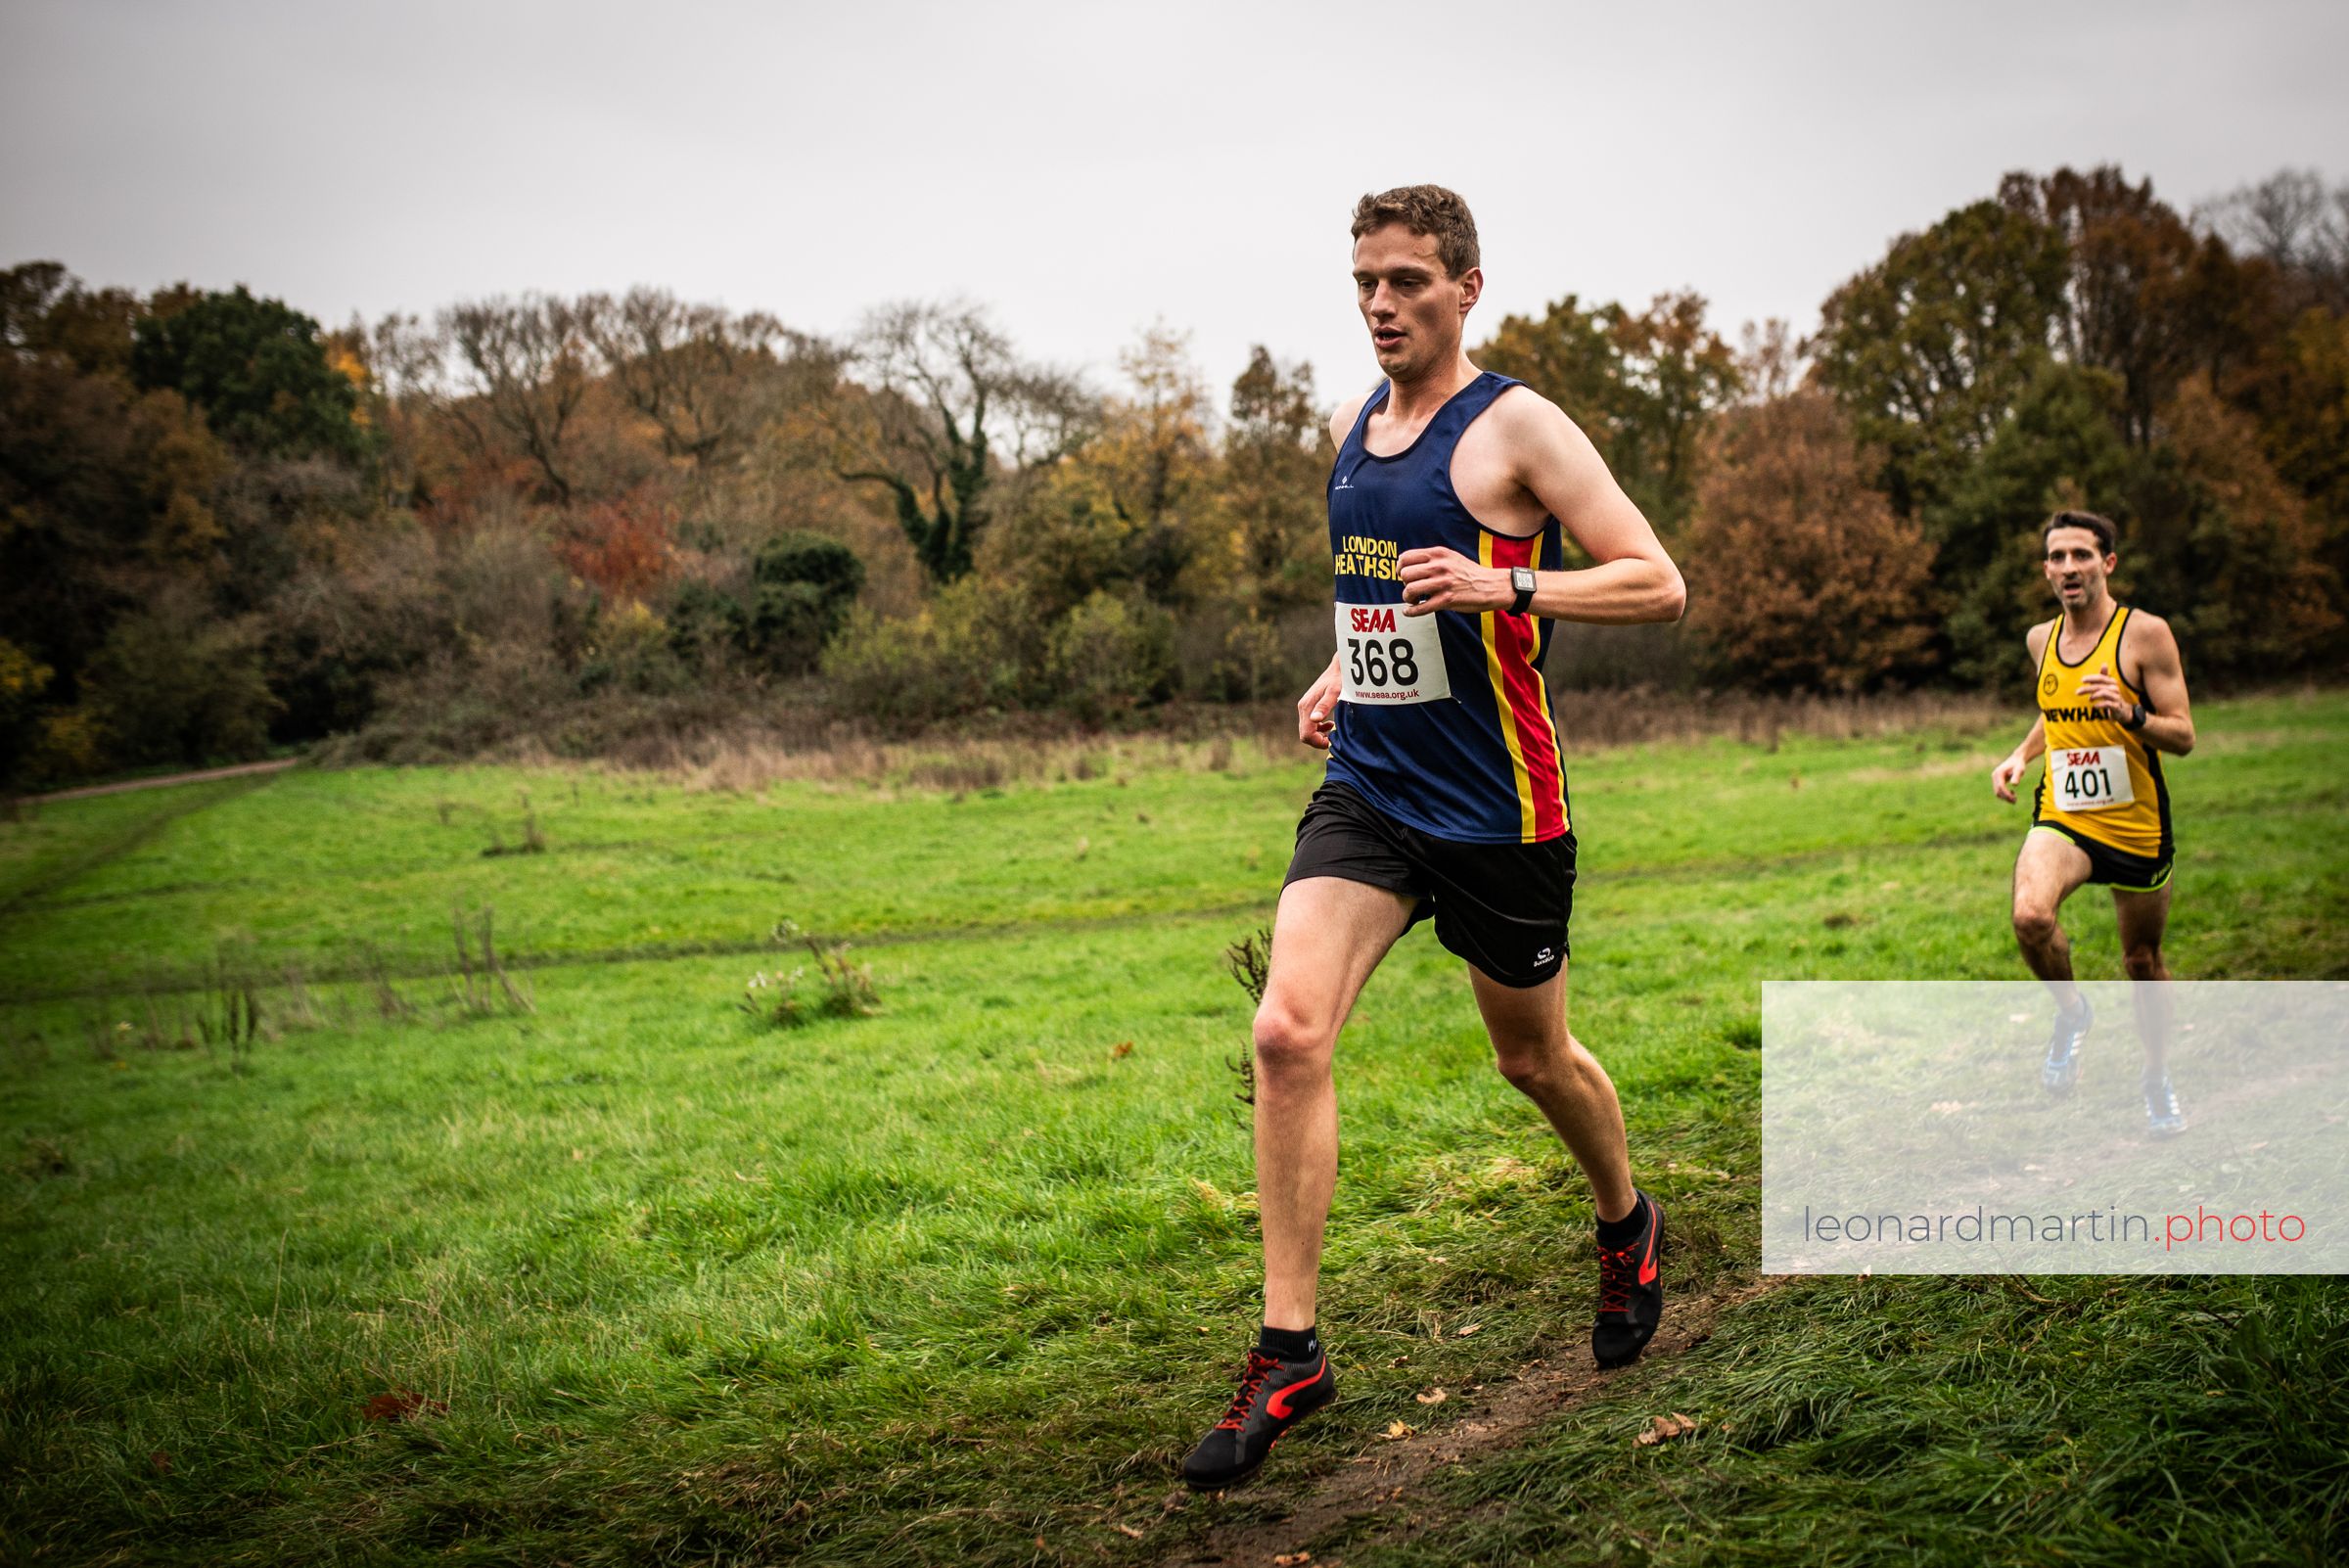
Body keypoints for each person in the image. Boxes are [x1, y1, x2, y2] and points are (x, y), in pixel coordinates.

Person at [1180, 185, 1686, 1492]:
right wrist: (1341, 670)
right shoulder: (1350, 430)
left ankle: (1627, 1221)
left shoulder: (1519, 427)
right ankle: (1289, 1349)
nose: (1381, 303)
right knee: (1287, 1032)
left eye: (1407, 280)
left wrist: (1505, 579)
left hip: (1501, 807)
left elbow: (1656, 580)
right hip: (1372, 789)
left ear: (1466, 286)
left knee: (1532, 1058)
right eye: (1365, 280)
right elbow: (1379, 595)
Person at [1990, 509, 2195, 1137]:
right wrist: (2021, 755)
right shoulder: (2040, 640)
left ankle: (2156, 1077)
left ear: (2107, 563)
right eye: (2057, 557)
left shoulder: (2145, 635)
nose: (2068, 567)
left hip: (2135, 826)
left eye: (2081, 554)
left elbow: (2184, 736)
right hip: (2066, 817)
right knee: (2031, 916)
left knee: (2142, 960)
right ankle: (2073, 1014)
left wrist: (2131, 714)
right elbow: (2055, 710)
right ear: (2046, 570)